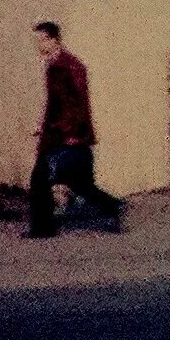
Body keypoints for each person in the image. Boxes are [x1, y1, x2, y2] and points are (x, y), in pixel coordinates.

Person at [25, 22, 124, 238]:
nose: (39, 46)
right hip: (68, 136)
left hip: (67, 138)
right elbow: (58, 104)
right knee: (81, 184)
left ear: (53, 40)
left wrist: (61, 129)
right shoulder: (59, 65)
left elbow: (75, 104)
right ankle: (112, 207)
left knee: (40, 179)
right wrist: (43, 126)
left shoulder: (65, 66)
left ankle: (43, 229)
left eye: (42, 40)